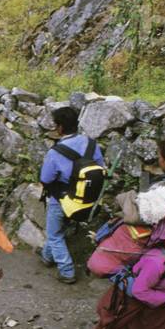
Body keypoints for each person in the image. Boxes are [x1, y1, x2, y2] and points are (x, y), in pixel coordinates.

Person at [39, 106, 106, 284]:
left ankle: (67, 271)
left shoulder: (55, 152)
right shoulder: (91, 144)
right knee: (56, 231)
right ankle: (46, 256)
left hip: (62, 200)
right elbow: (101, 167)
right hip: (87, 200)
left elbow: (45, 178)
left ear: (60, 127)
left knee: (54, 234)